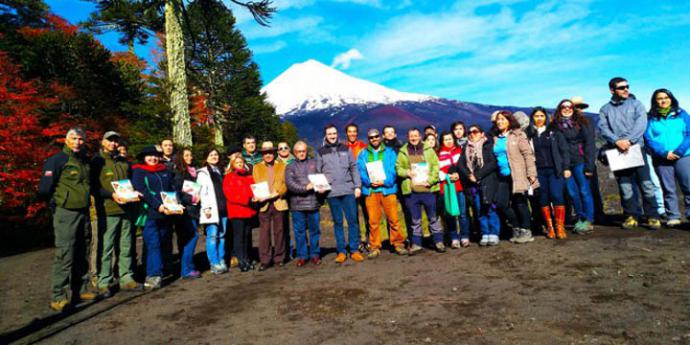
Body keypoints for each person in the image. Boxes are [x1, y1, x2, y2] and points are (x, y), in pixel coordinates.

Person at [39, 128, 98, 311]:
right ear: (66, 140)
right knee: (65, 253)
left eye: (81, 139)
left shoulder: (84, 161)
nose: (77, 142)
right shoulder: (57, 160)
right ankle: (59, 296)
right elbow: (44, 188)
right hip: (66, 212)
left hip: (83, 211)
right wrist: (56, 204)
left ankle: (81, 288)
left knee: (83, 250)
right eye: (74, 138)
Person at [598, 77, 661, 229]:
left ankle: (652, 216)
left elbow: (641, 124)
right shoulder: (605, 109)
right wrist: (617, 141)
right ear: (612, 90)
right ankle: (631, 216)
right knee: (625, 186)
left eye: (627, 86)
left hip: (637, 149)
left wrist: (629, 141)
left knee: (646, 184)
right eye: (621, 87)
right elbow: (603, 128)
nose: (626, 89)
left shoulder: (636, 104)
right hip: (617, 151)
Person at [91, 131, 142, 297]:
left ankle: (126, 277)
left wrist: (135, 193)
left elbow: (129, 184)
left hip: (126, 209)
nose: (113, 143)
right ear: (103, 142)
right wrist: (111, 195)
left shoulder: (123, 162)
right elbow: (93, 187)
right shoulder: (97, 162)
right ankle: (103, 281)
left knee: (126, 245)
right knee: (106, 247)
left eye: (115, 141)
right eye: (109, 140)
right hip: (108, 210)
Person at [316, 124, 365, 263]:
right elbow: (318, 171)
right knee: (337, 222)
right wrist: (320, 187)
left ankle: (354, 250)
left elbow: (354, 168)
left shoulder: (346, 148)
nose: (332, 136)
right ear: (326, 135)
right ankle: (341, 251)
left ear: (337, 134)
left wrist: (357, 186)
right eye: (329, 134)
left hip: (348, 190)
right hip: (332, 192)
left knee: (353, 221)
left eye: (334, 133)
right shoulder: (320, 152)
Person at [131, 145, 177, 290]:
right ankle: (153, 275)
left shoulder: (165, 171)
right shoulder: (138, 171)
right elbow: (143, 191)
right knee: (153, 244)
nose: (153, 158)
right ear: (144, 158)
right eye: (149, 155)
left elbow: (171, 189)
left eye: (156, 155)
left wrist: (175, 204)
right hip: (149, 214)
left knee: (164, 242)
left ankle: (160, 269)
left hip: (166, 214)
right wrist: (158, 206)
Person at [491, 111, 539, 243]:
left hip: (518, 174)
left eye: (503, 119)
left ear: (509, 121)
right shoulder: (496, 138)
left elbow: (528, 155)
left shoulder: (518, 135)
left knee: (520, 203)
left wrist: (531, 174)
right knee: (501, 203)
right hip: (502, 176)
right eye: (498, 120)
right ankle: (516, 226)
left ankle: (526, 230)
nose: (500, 122)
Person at [357, 129, 407, 257]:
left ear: (380, 137)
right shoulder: (363, 154)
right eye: (371, 137)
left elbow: (393, 169)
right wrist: (369, 182)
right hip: (371, 191)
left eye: (376, 136)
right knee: (373, 221)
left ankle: (398, 244)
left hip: (387, 190)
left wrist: (385, 181)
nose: (374, 139)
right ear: (368, 139)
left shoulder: (390, 152)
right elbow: (361, 171)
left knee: (394, 219)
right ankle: (374, 246)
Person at [644, 89, 690, 227]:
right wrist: (664, 153)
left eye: (666, 97)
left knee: (688, 186)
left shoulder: (682, 114)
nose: (663, 100)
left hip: (683, 156)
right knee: (668, 188)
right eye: (659, 98)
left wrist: (679, 151)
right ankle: (673, 216)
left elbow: (689, 133)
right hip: (661, 158)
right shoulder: (650, 118)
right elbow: (648, 138)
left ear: (671, 99)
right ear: (655, 101)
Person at [396, 128, 444, 254]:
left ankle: (438, 241)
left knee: (433, 217)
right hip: (412, 192)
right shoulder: (403, 151)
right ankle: (417, 243)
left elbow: (435, 166)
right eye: (411, 136)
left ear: (420, 136)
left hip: (428, 190)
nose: (413, 138)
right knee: (415, 220)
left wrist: (431, 180)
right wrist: (406, 172)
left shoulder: (428, 150)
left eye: (416, 135)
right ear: (408, 137)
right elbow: (398, 168)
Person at [553, 100, 596, 234]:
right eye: (563, 107)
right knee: (572, 192)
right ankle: (580, 216)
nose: (566, 109)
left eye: (569, 106)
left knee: (584, 190)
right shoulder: (556, 126)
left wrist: (589, 166)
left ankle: (588, 219)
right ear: (559, 109)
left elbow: (590, 144)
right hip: (566, 164)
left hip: (580, 161)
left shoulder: (583, 122)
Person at [453, 125, 501, 246]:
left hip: (488, 182)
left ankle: (494, 232)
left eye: (475, 132)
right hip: (472, 184)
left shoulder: (488, 145)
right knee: (479, 209)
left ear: (481, 133)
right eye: (470, 132)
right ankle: (485, 232)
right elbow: (460, 165)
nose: (472, 134)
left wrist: (478, 175)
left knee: (490, 207)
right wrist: (469, 175)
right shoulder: (465, 148)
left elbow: (493, 163)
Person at [526, 107, 570, 239]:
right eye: (536, 116)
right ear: (532, 118)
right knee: (543, 198)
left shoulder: (554, 132)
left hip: (554, 169)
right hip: (539, 171)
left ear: (546, 117)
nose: (539, 118)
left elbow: (564, 150)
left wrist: (566, 167)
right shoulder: (530, 134)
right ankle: (550, 228)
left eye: (541, 116)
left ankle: (559, 227)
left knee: (557, 196)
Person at [285, 141, 322, 266]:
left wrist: (321, 187)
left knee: (315, 230)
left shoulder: (314, 163)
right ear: (295, 153)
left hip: (313, 203)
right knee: (299, 231)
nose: (301, 153)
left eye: (303, 151)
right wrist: (306, 187)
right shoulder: (290, 167)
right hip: (297, 205)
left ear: (307, 151)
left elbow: (320, 178)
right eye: (299, 151)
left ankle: (315, 254)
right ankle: (302, 256)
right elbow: (291, 185)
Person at [252, 142, 288, 271]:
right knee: (264, 233)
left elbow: (285, 184)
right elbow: (255, 183)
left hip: (279, 202)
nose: (268, 155)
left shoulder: (282, 166)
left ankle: (279, 258)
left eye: (270, 152)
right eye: (265, 153)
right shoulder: (256, 167)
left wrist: (276, 193)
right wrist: (256, 196)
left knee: (279, 231)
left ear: (274, 153)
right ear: (262, 154)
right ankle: (265, 260)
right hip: (263, 204)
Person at [171, 148, 202, 279]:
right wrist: (192, 199)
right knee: (192, 237)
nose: (190, 157)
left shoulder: (194, 172)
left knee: (189, 238)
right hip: (186, 212)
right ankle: (186, 269)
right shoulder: (180, 173)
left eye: (191, 154)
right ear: (181, 158)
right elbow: (178, 193)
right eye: (186, 155)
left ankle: (188, 266)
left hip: (194, 210)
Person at [197, 148, 229, 274]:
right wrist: (206, 209)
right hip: (211, 209)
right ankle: (214, 263)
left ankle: (221, 259)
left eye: (216, 154)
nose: (214, 156)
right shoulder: (202, 173)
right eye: (211, 154)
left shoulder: (221, 171)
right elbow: (201, 193)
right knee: (212, 236)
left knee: (222, 236)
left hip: (224, 208)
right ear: (206, 157)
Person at [223, 153, 257, 272]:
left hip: (248, 211)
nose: (240, 164)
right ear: (232, 164)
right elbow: (230, 195)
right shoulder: (229, 177)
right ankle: (241, 260)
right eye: (237, 163)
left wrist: (254, 198)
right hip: (237, 211)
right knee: (239, 237)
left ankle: (246, 258)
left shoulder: (248, 177)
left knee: (247, 236)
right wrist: (247, 200)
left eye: (241, 162)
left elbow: (254, 190)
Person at [438, 131, 470, 248]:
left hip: (460, 186)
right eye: (446, 139)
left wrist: (459, 175)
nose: (449, 141)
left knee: (462, 213)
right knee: (450, 213)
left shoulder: (460, 151)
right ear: (442, 141)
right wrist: (447, 176)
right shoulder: (438, 154)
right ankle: (454, 238)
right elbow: (437, 170)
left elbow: (466, 166)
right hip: (446, 187)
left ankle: (465, 236)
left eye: (450, 139)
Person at [343, 123, 370, 252]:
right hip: (349, 186)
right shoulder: (342, 148)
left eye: (354, 131)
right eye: (350, 131)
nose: (352, 134)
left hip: (364, 185)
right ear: (346, 133)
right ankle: (357, 241)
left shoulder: (363, 147)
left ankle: (370, 240)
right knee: (353, 216)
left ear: (357, 133)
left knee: (367, 214)